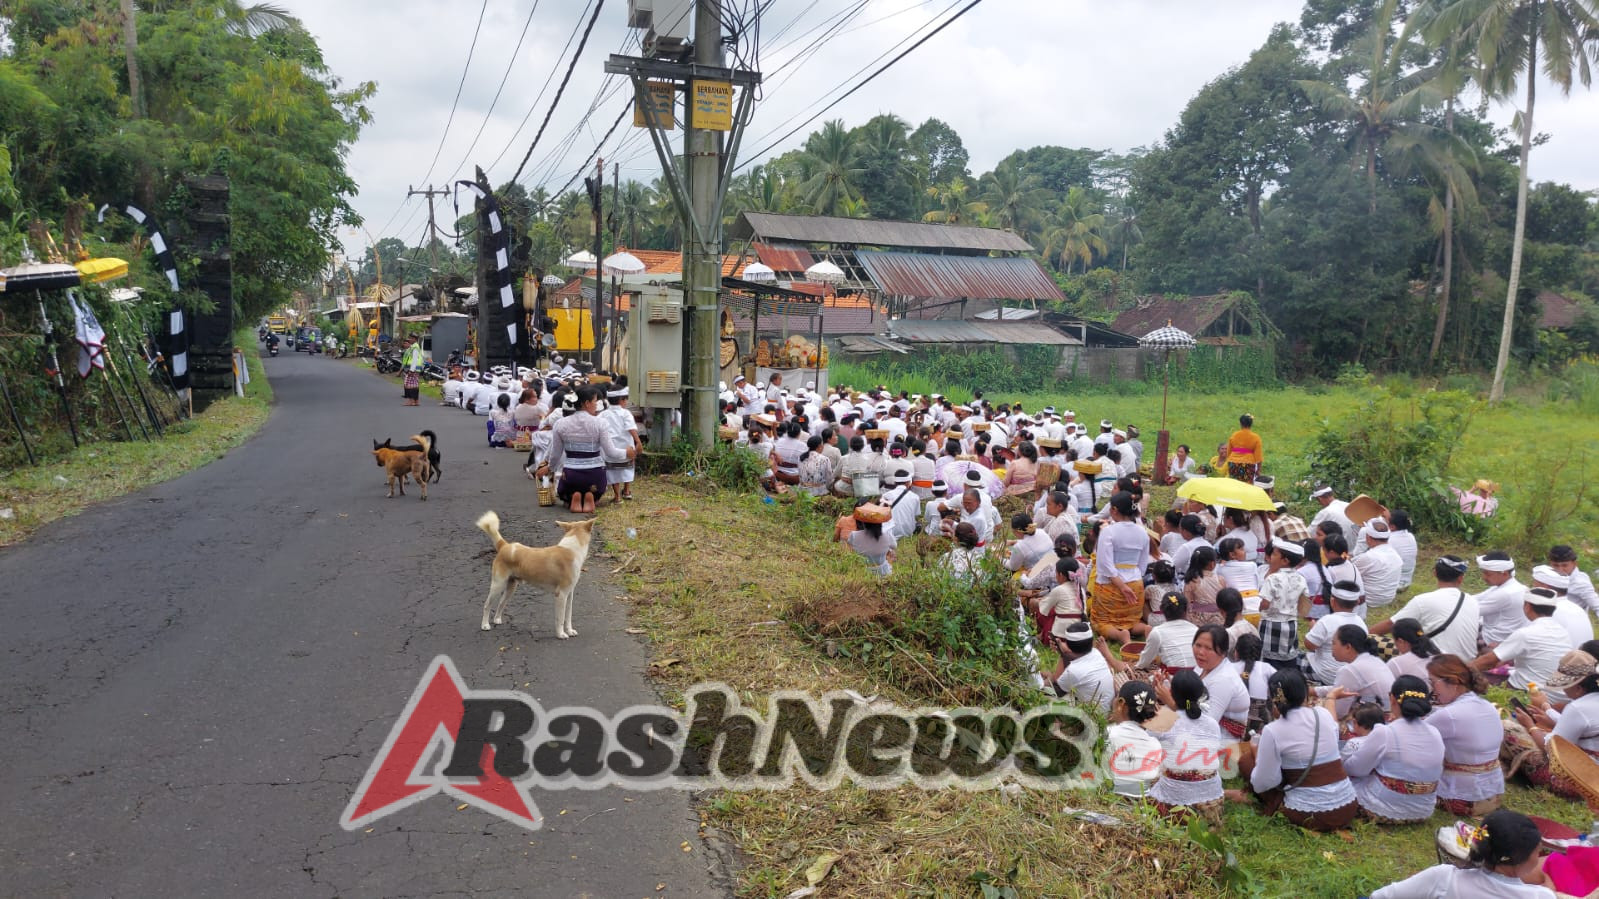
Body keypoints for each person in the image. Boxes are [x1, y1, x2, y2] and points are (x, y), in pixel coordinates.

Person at [1239, 668, 1358, 832]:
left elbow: (1264, 782)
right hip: (1347, 807)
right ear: (1305, 694)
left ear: (1274, 699)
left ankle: (1255, 799)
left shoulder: (1273, 730)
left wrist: (1255, 752)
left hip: (1310, 815)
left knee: (1246, 762)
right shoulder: (1322, 714)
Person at [1370, 809, 1555, 898]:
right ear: (1517, 859)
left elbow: (1380, 897)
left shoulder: (1444, 878)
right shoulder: (1539, 896)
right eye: (1537, 850)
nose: (1539, 855)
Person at [1342, 675, 1445, 824]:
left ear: (1392, 699)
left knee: (1338, 785)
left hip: (1384, 810)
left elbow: (1355, 769)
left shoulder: (1385, 732)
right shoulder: (1435, 732)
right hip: (1424, 811)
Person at [1426, 654, 1506, 817]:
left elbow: (1411, 737)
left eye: (1433, 683)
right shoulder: (1487, 706)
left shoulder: (1449, 715)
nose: (1432, 689)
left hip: (1463, 800)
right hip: (1494, 794)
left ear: (1453, 682)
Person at [1515, 645, 1599, 798]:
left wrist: (1530, 726)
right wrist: (1548, 710)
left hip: (1585, 783)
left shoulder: (1578, 708)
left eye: (1566, 686)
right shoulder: (1589, 703)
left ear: (1579, 688)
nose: (1564, 691)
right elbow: (1585, 727)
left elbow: (1551, 749)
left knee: (1513, 736)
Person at [1148, 670, 1225, 827]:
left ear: (1171, 694)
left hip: (1174, 802)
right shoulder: (1212, 724)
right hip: (1211, 802)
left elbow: (1146, 742)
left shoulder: (1164, 720)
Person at [1371, 557, 1480, 663]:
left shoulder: (1423, 601)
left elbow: (1391, 624)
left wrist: (1365, 635)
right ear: (1461, 578)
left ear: (1435, 573)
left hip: (1435, 663)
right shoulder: (1473, 601)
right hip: (1467, 664)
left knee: (1372, 639)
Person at [1471, 589, 1572, 689]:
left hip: (1530, 692)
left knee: (1485, 678)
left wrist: (1461, 671)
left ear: (1527, 606)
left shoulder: (1526, 633)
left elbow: (1488, 660)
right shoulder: (1563, 632)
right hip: (1559, 691)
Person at [1088, 492, 1150, 642]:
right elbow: (1142, 565)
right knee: (1132, 620)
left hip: (1111, 586)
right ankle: (1145, 628)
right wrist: (1130, 581)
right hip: (1135, 583)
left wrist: (1122, 586)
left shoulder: (1108, 531)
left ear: (1114, 510)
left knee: (1102, 622)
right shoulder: (1143, 532)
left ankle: (1120, 635)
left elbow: (1105, 564)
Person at [537, 385, 609, 513]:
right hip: (595, 475)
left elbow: (555, 454)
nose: (596, 405)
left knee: (565, 490)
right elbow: (611, 452)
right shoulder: (600, 423)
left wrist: (550, 468)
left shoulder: (560, 423)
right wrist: (627, 452)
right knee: (597, 487)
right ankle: (592, 497)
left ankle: (572, 498)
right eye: (595, 402)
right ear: (587, 403)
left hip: (571, 475)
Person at [1316, 626, 1395, 720]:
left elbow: (1338, 713)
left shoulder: (1350, 670)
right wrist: (1315, 691)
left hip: (1372, 724)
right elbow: (1341, 689)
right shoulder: (1373, 659)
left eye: (1333, 643)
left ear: (1348, 647)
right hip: (1389, 716)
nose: (1331, 648)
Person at [1106, 681, 1165, 797]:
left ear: (1121, 705)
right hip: (1141, 804)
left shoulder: (1108, 734)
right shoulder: (1155, 745)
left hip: (1109, 798)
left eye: (1117, 696)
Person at [1258, 539, 1308, 668]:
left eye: (1274, 555)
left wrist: (1260, 608)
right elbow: (1304, 601)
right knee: (1287, 654)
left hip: (1271, 623)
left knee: (1269, 658)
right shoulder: (1301, 578)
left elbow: (1265, 603)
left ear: (1285, 561)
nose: (1270, 557)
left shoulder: (1273, 578)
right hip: (1291, 623)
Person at [1304, 582, 1366, 685]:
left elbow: (1309, 646)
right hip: (1348, 676)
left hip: (1324, 674)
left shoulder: (1327, 621)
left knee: (1293, 659)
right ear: (1357, 602)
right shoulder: (1361, 623)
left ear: (1332, 601)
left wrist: (1312, 629)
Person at [1054, 621, 1113, 714]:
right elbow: (1077, 659)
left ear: (1069, 646)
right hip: (1107, 708)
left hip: (1094, 715)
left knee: (1051, 698)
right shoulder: (1095, 652)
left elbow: (1056, 687)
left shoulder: (1073, 671)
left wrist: (1062, 655)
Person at [1132, 592, 1197, 672]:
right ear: (1186, 610)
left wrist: (1135, 668)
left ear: (1161, 609)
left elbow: (1144, 661)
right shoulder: (1195, 629)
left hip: (1174, 677)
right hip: (1198, 674)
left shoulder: (1157, 632)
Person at [1476, 551, 1529, 647]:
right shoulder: (1512, 587)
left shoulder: (1505, 593)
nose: (1484, 577)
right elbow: (1474, 599)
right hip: (1504, 637)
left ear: (1504, 573)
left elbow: (1469, 610)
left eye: (1488, 574)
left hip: (1493, 640)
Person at [1350, 519, 1403, 609]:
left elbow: (1350, 573)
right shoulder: (1396, 555)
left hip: (1370, 601)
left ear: (1368, 538)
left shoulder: (1369, 557)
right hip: (1388, 598)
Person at [601, 386, 640, 502]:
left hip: (611, 449)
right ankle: (627, 491)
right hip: (627, 448)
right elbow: (631, 428)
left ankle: (617, 496)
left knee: (613, 473)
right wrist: (638, 441)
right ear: (621, 400)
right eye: (625, 400)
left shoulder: (603, 414)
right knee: (627, 469)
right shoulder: (626, 413)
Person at [846, 504, 896, 577]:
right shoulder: (887, 536)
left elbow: (849, 550)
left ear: (864, 522)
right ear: (881, 522)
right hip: (883, 572)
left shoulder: (854, 535)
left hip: (862, 572)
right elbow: (894, 546)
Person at [1182, 546, 1226, 628]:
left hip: (1198, 620)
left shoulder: (1191, 581)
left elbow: (1187, 603)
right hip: (1218, 619)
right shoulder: (1220, 579)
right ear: (1212, 564)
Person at [1552, 544, 1599, 614]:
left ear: (1575, 564)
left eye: (1564, 565)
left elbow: (1597, 606)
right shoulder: (1548, 576)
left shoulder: (1580, 583)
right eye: (1555, 565)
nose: (1560, 569)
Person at [1385, 509, 1419, 590]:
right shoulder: (1411, 536)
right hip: (1407, 582)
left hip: (1393, 585)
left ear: (1392, 526)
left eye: (1385, 519)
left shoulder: (1389, 539)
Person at [1225, 413, 1263, 483]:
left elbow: (1229, 452)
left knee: (1233, 484)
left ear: (1240, 423)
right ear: (1251, 424)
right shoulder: (1255, 437)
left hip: (1233, 463)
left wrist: (1229, 463)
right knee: (1247, 486)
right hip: (1248, 464)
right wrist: (1258, 470)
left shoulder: (1234, 435)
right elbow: (1259, 457)